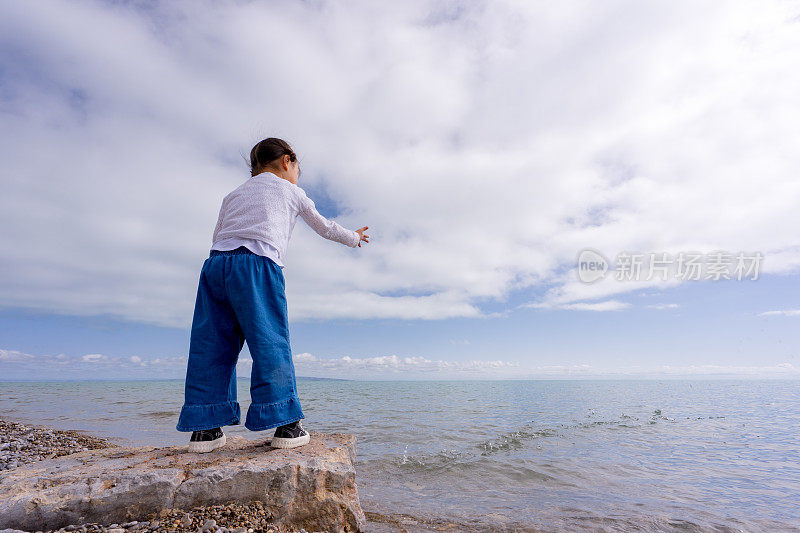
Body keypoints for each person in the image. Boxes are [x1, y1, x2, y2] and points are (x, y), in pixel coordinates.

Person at [175, 137, 369, 453]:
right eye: (298, 169)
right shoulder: (291, 191)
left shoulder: (233, 194)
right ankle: (286, 426)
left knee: (210, 344)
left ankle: (205, 430)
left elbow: (217, 235)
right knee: (269, 340)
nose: (297, 176)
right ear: (287, 161)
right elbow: (324, 226)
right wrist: (353, 237)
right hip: (258, 264)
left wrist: (223, 265)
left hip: (215, 266)